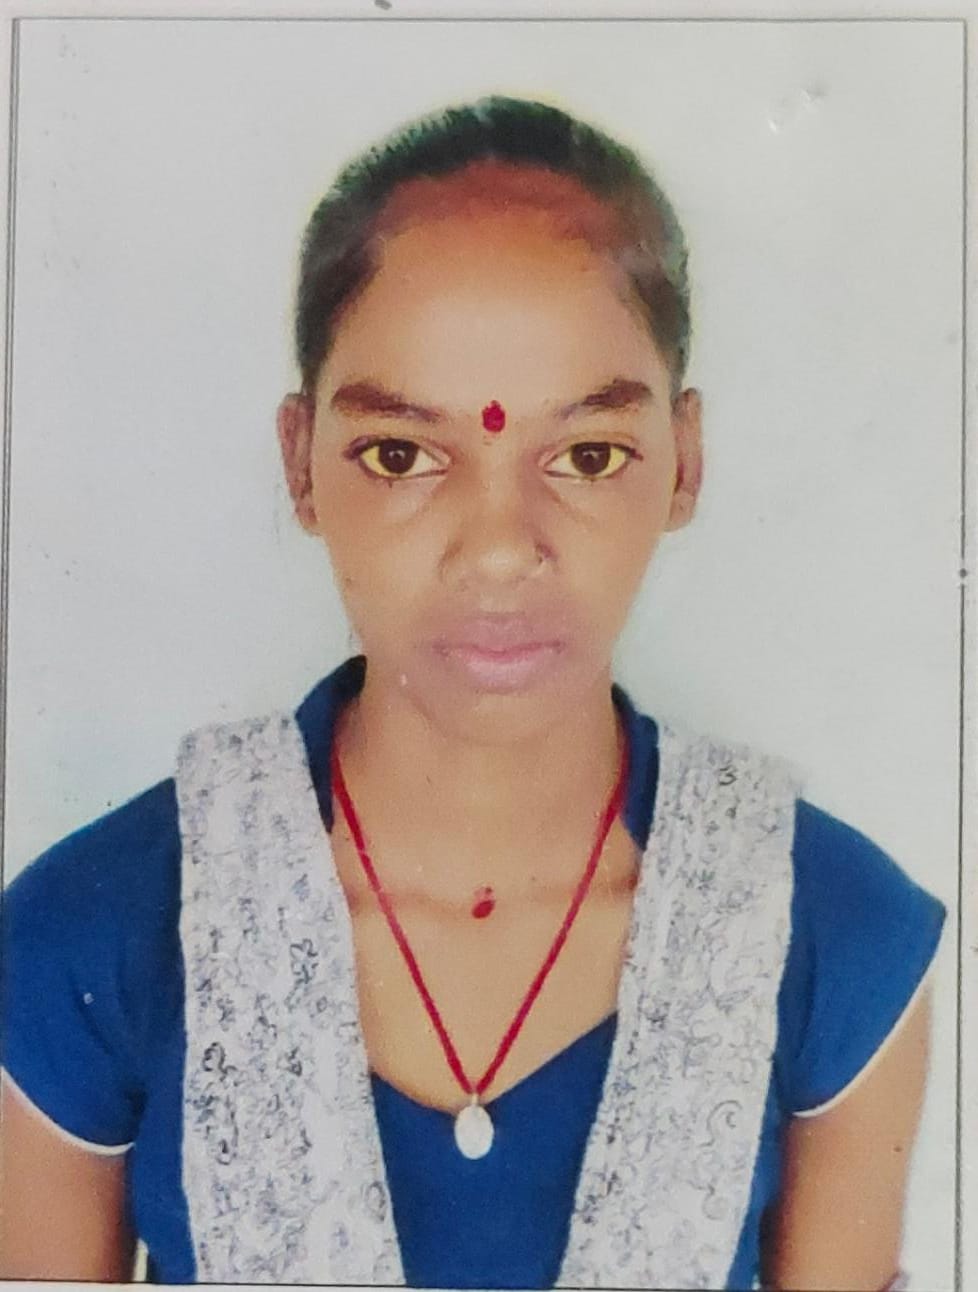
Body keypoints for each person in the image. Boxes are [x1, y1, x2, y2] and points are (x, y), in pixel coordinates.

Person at [0, 96, 946, 1291]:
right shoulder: (92, 931)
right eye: (402, 454)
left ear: (685, 461)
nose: (499, 552)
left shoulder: (834, 931)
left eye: (587, 455)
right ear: (300, 462)